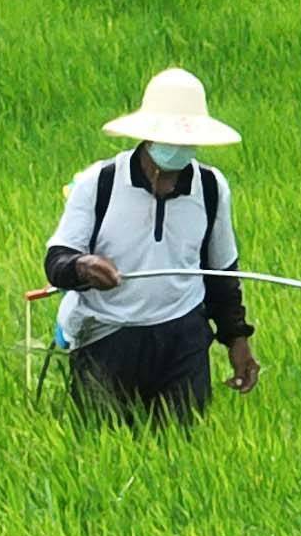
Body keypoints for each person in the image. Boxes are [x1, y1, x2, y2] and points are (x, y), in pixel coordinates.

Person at [43, 68, 259, 423]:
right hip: (107, 336)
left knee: (182, 449)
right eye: (169, 136)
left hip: (182, 338)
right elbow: (57, 260)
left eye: (186, 138)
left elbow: (221, 275)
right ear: (148, 136)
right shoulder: (100, 183)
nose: (177, 147)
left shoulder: (210, 187)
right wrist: (84, 267)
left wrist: (237, 340)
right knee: (105, 446)